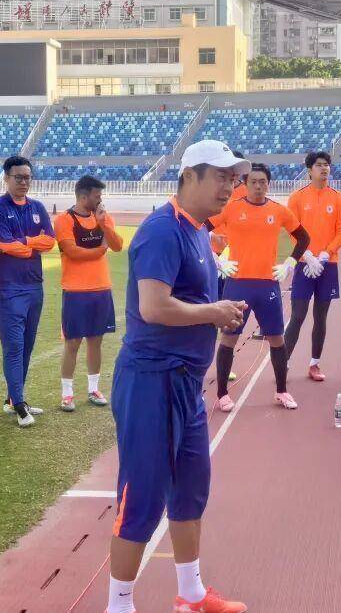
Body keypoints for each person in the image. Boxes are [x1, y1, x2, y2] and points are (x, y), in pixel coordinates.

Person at [106, 140, 249, 613]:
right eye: (222, 177)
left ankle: (191, 593)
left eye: (233, 179)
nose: (230, 187)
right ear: (190, 176)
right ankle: (119, 605)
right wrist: (213, 312)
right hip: (152, 381)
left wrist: (220, 310)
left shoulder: (198, 230)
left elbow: (191, 301)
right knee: (143, 495)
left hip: (185, 382)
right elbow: (153, 307)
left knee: (190, 488)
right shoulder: (162, 231)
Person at [209, 163, 310, 411]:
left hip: (267, 285)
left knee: (276, 338)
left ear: (268, 184)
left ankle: (282, 391)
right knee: (229, 338)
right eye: (253, 181)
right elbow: (200, 228)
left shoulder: (278, 210)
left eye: (262, 181)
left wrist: (290, 263)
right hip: (237, 284)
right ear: (245, 184)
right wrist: (217, 260)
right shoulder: (231, 208)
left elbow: (304, 237)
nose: (258, 186)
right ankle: (222, 394)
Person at [0, 156, 55, 427]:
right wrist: (29, 246)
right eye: (18, 177)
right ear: (6, 178)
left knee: (27, 345)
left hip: (34, 285)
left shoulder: (37, 207)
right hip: (7, 286)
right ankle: (19, 404)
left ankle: (12, 398)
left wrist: (24, 243)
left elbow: (50, 241)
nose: (24, 182)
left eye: (27, 177)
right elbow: (4, 244)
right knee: (14, 346)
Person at [53, 176, 124, 412]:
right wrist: (100, 250)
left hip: (101, 289)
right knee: (72, 343)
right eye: (97, 196)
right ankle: (67, 393)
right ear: (83, 197)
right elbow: (72, 252)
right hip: (75, 291)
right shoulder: (64, 220)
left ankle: (93, 389)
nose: (100, 200)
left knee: (96, 341)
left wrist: (104, 225)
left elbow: (117, 246)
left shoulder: (103, 217)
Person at [283, 151, 341, 382]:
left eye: (327, 164)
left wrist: (325, 254)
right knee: (298, 315)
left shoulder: (338, 199)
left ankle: (314, 364)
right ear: (309, 170)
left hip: (327, 265)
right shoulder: (297, 198)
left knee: (321, 317)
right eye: (319, 165)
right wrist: (307, 255)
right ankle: (283, 362)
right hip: (304, 264)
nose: (324, 168)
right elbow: (292, 231)